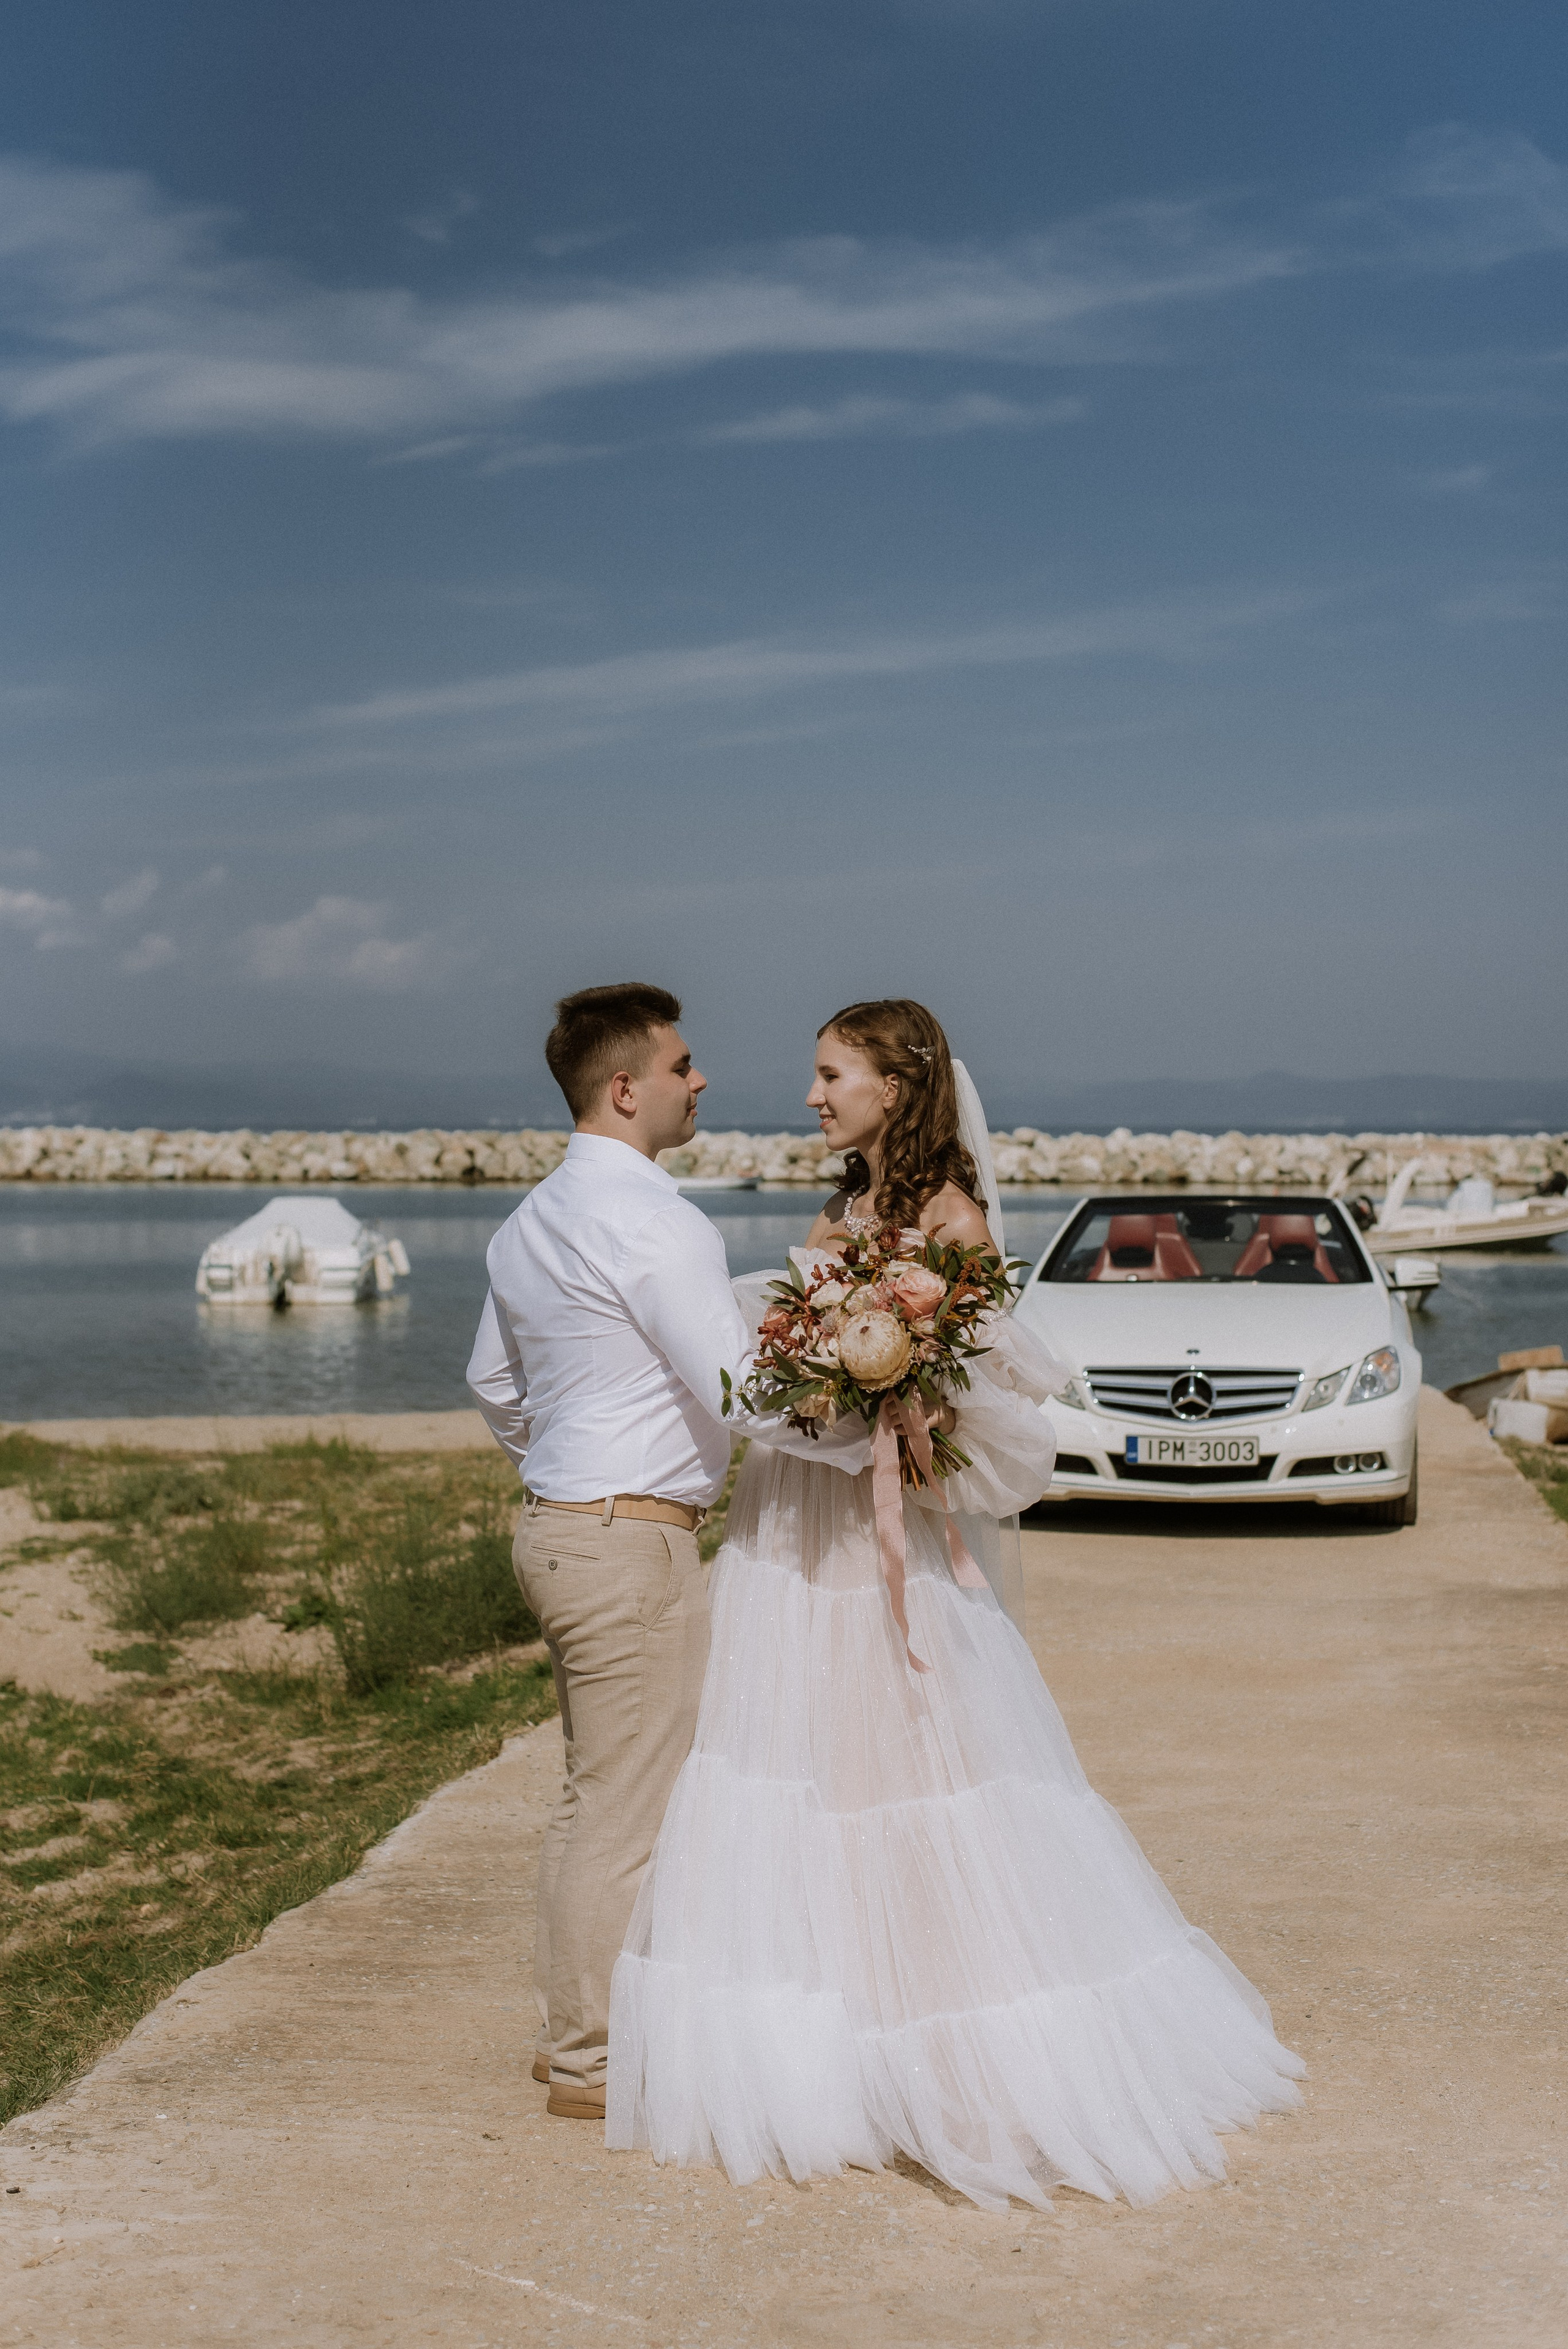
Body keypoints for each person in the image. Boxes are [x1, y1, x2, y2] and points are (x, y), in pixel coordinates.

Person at [608, 998, 1304, 2209]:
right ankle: (835, 2063)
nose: (814, 1096)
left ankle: (952, 2063)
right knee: (801, 1773)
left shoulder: (951, 1221)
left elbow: (966, 1404)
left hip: (880, 1533)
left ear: (895, 1082)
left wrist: (881, 1395)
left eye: (831, 1075)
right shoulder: (836, 1215)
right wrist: (805, 1393)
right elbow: (799, 1366)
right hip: (793, 1520)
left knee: (907, 1781)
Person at [466, 982, 751, 2122]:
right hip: (627, 1543)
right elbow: (741, 1389)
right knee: (626, 1808)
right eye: (684, 1065)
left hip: (559, 1531)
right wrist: (867, 1426)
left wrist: (570, 1462)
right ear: (626, 1090)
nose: (701, 1081)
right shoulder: (656, 1219)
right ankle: (591, 2058)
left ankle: (568, 2035)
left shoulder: (529, 1219)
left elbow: (494, 1383)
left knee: (596, 1798)